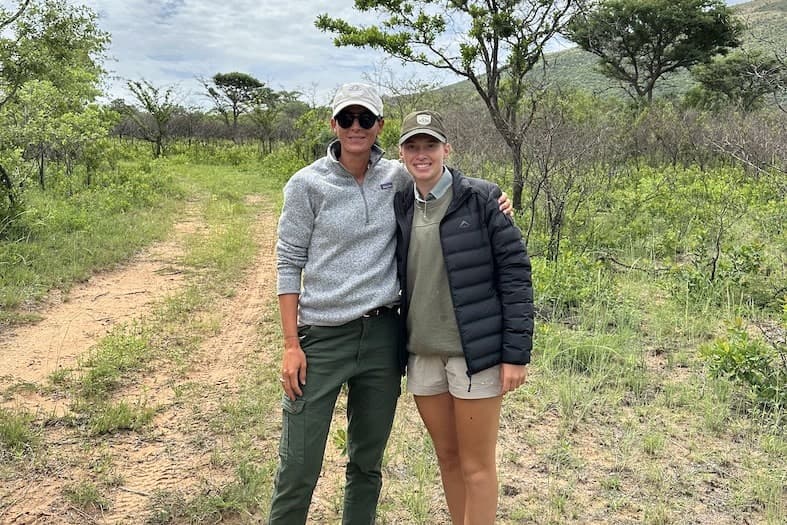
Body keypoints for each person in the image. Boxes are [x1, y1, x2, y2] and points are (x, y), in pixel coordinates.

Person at [270, 84, 512, 524]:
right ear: (334, 125)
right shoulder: (306, 184)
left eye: (366, 119)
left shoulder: (396, 176)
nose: (356, 127)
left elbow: (441, 176)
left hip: (384, 335)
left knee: (366, 464)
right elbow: (288, 263)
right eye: (347, 119)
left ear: (379, 126)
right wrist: (291, 342)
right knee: (299, 466)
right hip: (322, 337)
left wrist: (493, 199)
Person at [393, 110, 534, 525]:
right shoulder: (401, 200)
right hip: (422, 354)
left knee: (477, 465)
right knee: (448, 458)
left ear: (446, 149)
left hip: (473, 355)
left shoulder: (483, 198)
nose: (422, 154)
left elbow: (515, 275)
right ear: (401, 154)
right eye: (413, 146)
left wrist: (516, 354)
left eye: (430, 145)